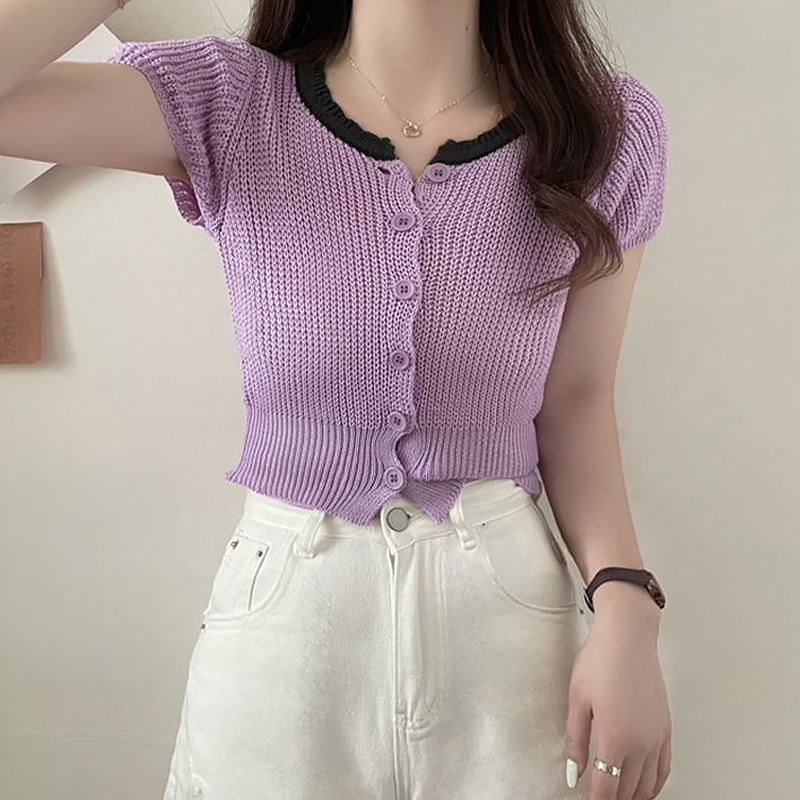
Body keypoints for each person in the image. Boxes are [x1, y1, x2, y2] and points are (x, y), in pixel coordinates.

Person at [0, 1, 672, 798]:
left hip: (510, 632)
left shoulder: (605, 129)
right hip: (288, 634)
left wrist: (627, 608)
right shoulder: (231, 101)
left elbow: (577, 401)